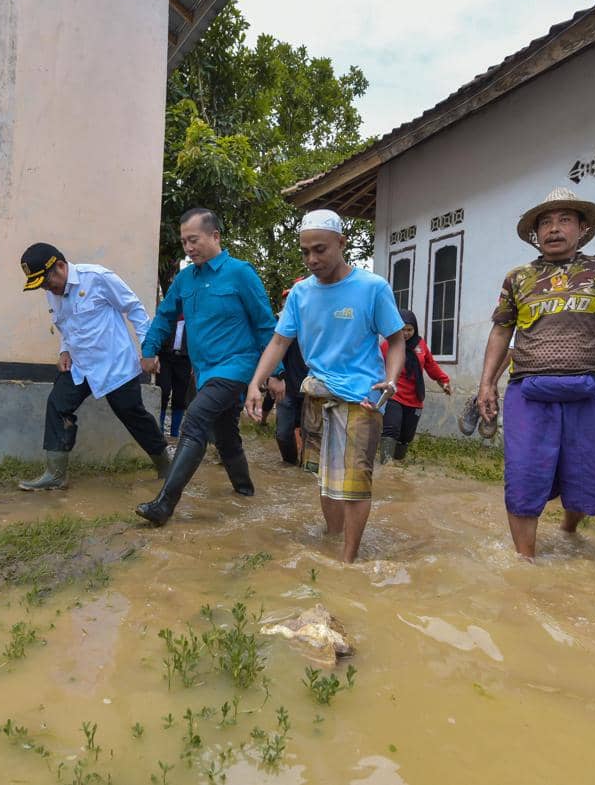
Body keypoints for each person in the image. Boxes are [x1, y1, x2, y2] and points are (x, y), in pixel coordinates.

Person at [476, 187, 595, 560]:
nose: (553, 229)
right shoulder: (518, 278)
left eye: (564, 220)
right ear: (535, 233)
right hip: (529, 391)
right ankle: (526, 561)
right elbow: (500, 331)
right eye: (545, 222)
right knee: (524, 477)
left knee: (590, 474)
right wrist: (486, 385)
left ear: (582, 228)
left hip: (589, 390)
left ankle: (569, 529)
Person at [246, 209, 406, 563]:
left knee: (353, 484)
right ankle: (333, 543)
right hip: (317, 395)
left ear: (341, 243)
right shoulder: (301, 294)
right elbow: (278, 343)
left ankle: (348, 562)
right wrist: (255, 384)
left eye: (320, 249)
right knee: (325, 478)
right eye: (305, 252)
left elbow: (396, 340)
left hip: (363, 397)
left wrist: (391, 381)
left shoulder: (372, 288)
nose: (312, 259)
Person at [135, 208, 281, 526]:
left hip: (236, 367)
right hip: (203, 371)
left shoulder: (241, 273)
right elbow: (164, 316)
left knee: (195, 421)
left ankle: (164, 505)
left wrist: (276, 373)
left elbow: (265, 325)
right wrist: (148, 350)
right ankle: (245, 492)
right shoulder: (185, 279)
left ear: (215, 236)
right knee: (225, 435)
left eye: (194, 240)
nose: (188, 248)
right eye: (184, 241)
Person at [459, 252, 595, 437]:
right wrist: (488, 384)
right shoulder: (551, 302)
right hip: (532, 385)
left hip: (582, 387)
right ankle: (484, 405)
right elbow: (509, 342)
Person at [17, 243, 170, 490]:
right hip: (81, 366)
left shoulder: (97, 277)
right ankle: (56, 475)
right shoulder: (52, 292)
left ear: (60, 266)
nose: (47, 289)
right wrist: (64, 350)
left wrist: (148, 350)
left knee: (132, 414)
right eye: (42, 286)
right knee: (58, 405)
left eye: (47, 282)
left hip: (114, 363)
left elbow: (135, 309)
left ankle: (166, 467)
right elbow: (66, 325)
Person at [379, 309, 451, 463]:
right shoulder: (387, 345)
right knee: (391, 429)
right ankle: (386, 466)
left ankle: (398, 464)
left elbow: (431, 366)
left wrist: (444, 381)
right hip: (393, 394)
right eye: (402, 329)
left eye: (409, 330)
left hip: (414, 398)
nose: (405, 333)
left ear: (415, 329)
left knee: (406, 436)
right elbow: (375, 365)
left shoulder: (421, 345)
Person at [272, 278, 310, 465]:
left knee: (311, 434)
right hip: (287, 384)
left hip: (313, 386)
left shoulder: (320, 320)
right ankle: (290, 465)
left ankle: (306, 468)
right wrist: (273, 376)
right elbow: (272, 349)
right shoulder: (280, 321)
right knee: (283, 433)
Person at [155, 312, 192, 438]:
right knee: (163, 391)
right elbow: (158, 332)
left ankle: (174, 433)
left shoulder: (193, 315)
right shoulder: (169, 313)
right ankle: (159, 428)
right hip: (165, 357)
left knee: (180, 397)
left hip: (185, 360)